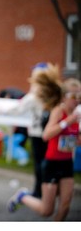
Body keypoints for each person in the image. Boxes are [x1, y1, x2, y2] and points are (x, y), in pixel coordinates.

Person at [7, 69, 81, 221]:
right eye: (73, 96)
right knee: (47, 210)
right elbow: (47, 134)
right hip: (51, 161)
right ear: (64, 97)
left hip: (67, 163)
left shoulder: (76, 114)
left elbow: (74, 140)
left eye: (80, 96)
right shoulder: (58, 111)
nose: (77, 100)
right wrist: (68, 121)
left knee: (65, 206)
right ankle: (24, 197)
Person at [3, 62, 49, 197]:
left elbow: (20, 108)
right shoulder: (52, 92)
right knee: (47, 162)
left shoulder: (36, 93)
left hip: (39, 132)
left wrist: (2, 110)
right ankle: (48, 189)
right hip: (49, 131)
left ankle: (39, 191)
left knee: (40, 162)